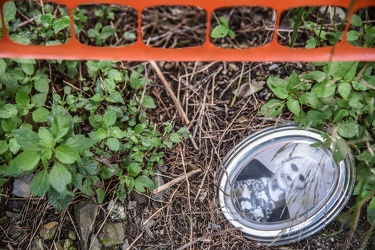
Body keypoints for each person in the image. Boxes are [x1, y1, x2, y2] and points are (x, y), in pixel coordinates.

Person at [233, 143, 323, 223]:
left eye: (301, 178)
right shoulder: (251, 166)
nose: (292, 177)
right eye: (293, 167)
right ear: (283, 161)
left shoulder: (282, 218)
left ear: (303, 187)